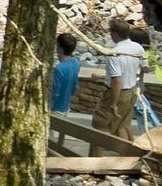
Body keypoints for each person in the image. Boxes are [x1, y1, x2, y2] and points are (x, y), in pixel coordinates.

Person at [89, 17, 146, 152]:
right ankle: (126, 159)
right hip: (131, 92)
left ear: (115, 34)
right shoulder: (138, 48)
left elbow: (117, 80)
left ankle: (93, 165)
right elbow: (144, 68)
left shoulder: (114, 54)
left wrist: (113, 104)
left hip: (117, 95)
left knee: (99, 128)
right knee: (121, 125)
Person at [49, 32, 81, 151]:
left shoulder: (58, 69)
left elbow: (54, 92)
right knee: (59, 136)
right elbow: (75, 86)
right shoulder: (76, 62)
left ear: (60, 49)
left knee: (49, 139)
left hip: (55, 108)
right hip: (66, 105)